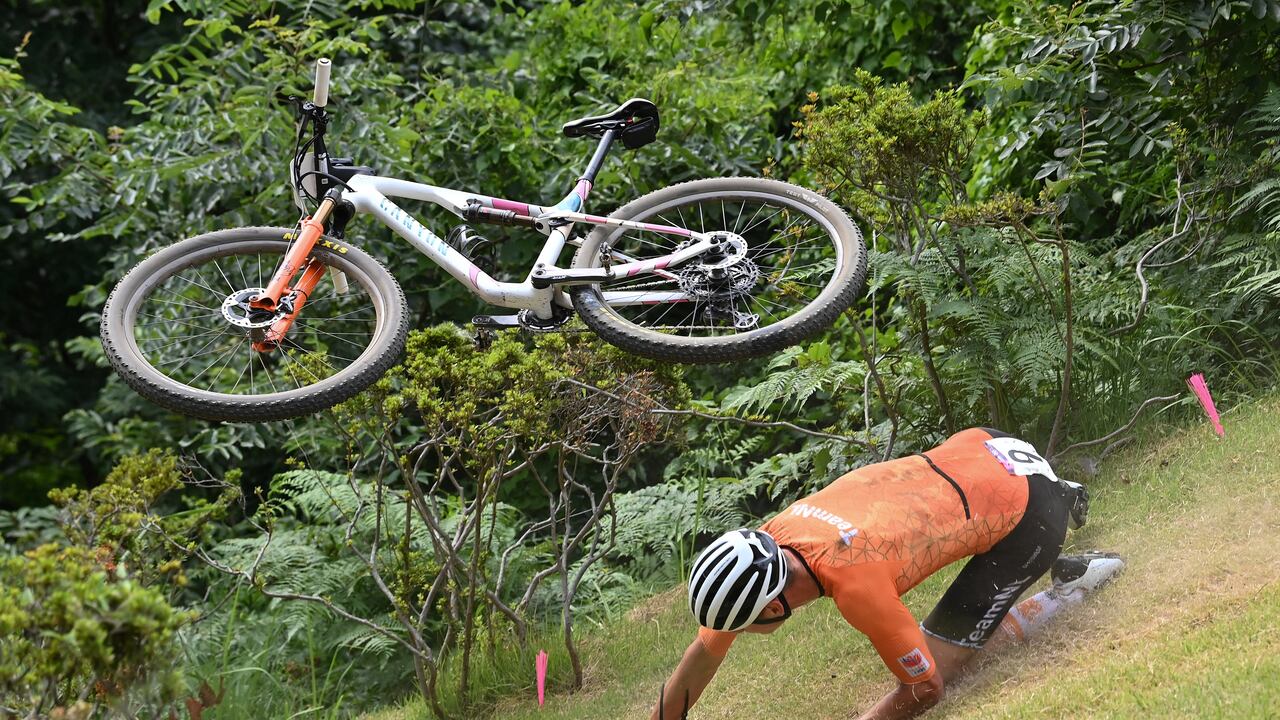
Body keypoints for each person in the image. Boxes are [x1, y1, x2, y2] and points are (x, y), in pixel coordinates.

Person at [653, 427, 1124, 720]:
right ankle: (1057, 489)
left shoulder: (856, 585)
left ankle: (1074, 580)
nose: (735, 635)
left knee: (943, 665)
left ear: (774, 609)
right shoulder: (773, 537)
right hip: (982, 444)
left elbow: (924, 690)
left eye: (743, 626)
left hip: (1030, 515)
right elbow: (704, 651)